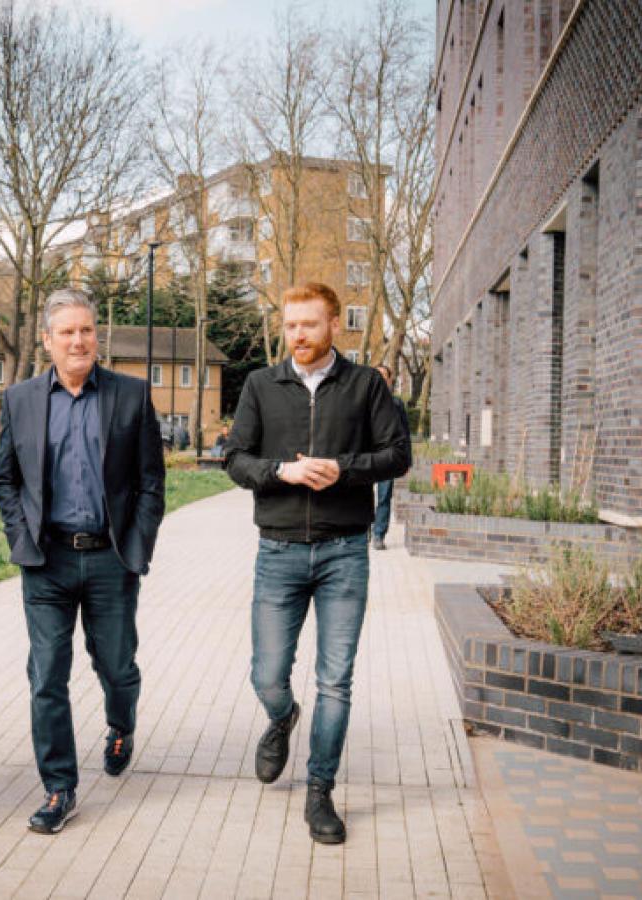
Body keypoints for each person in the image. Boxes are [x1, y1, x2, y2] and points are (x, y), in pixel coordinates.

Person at [224, 282, 410, 844]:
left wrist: (343, 469)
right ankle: (282, 717)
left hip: (344, 553)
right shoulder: (261, 385)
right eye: (291, 325)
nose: (298, 335)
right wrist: (281, 471)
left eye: (309, 324)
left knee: (336, 680)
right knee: (267, 674)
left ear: (334, 324)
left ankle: (320, 790)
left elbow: (398, 454)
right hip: (277, 551)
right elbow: (233, 457)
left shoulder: (364, 387)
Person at [0, 288, 165, 835]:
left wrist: (136, 547)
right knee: (46, 676)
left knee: (116, 665)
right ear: (48, 340)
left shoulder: (131, 396)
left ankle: (121, 724)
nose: (78, 340)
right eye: (66, 331)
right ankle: (59, 786)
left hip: (111, 560)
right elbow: (5, 480)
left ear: (97, 336)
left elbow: (151, 482)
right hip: (47, 563)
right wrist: (22, 537)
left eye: (86, 330)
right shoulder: (20, 400)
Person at [371, 364, 413, 550]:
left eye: (384, 376)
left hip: (388, 457)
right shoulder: (362, 400)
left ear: (389, 380)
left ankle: (379, 535)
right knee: (362, 495)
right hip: (365, 456)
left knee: (384, 497)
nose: (380, 380)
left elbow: (405, 434)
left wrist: (407, 459)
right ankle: (363, 532)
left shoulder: (397, 404)